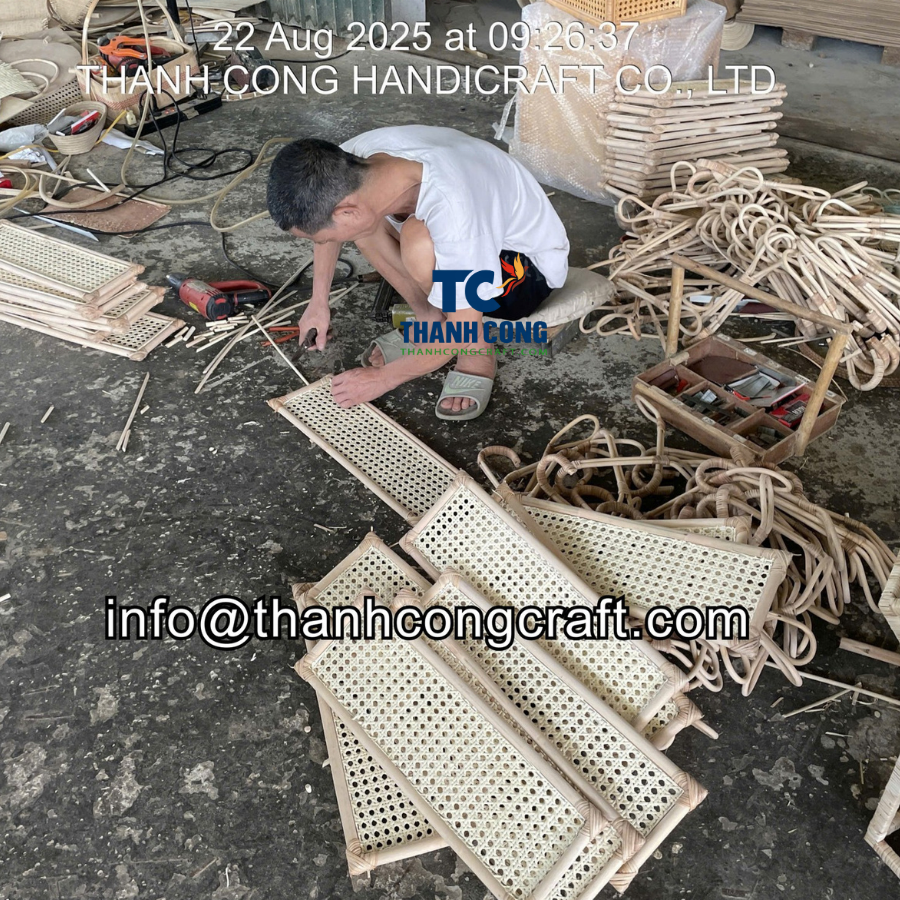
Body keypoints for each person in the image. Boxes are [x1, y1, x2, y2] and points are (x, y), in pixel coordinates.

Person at [266, 125, 569, 420]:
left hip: (524, 271)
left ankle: (477, 352)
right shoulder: (350, 162)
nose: (322, 244)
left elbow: (461, 329)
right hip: (478, 231)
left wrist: (383, 379)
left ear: (346, 211)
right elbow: (330, 225)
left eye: (320, 239)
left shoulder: (456, 212)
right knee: (366, 227)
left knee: (417, 241)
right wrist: (318, 302)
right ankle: (430, 320)